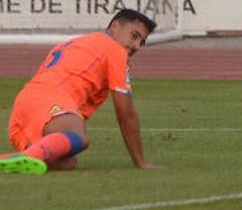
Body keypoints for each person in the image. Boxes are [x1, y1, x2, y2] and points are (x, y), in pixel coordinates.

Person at [1, 9, 161, 174]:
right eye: (134, 36)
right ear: (115, 26)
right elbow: (125, 112)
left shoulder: (76, 43)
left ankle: (17, 157)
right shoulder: (115, 50)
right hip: (50, 100)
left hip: (24, 107)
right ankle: (29, 155)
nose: (136, 45)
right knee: (77, 136)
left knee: (67, 163)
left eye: (141, 42)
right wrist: (140, 161)